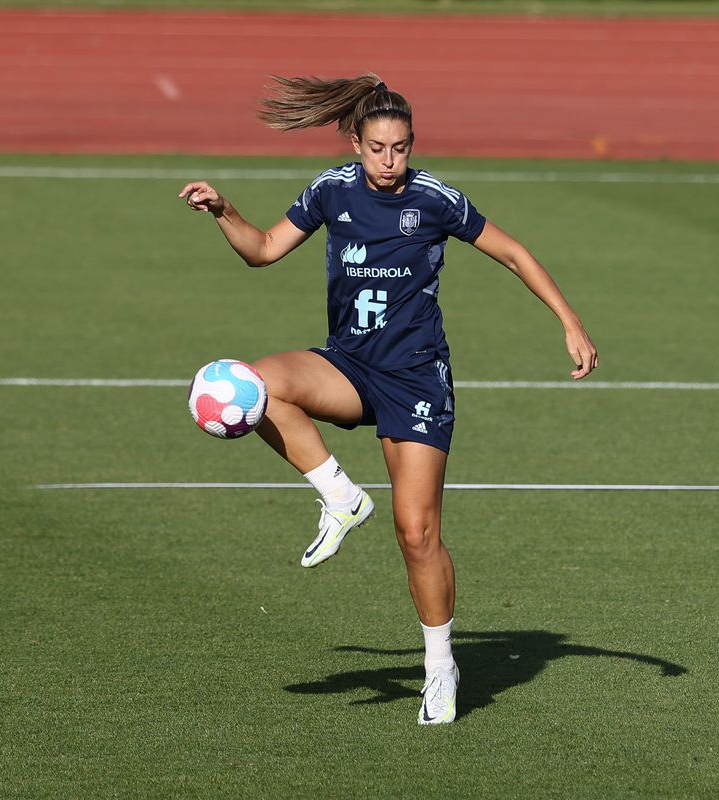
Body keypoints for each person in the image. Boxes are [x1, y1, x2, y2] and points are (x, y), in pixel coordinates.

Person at [178, 74, 597, 725]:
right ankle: (339, 495)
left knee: (417, 532)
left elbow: (512, 252)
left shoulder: (433, 199)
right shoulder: (331, 190)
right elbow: (262, 251)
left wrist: (569, 321)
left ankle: (440, 671)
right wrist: (224, 211)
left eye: (401, 148)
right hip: (348, 366)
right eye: (378, 148)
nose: (390, 161)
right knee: (256, 384)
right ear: (356, 141)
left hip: (416, 381)